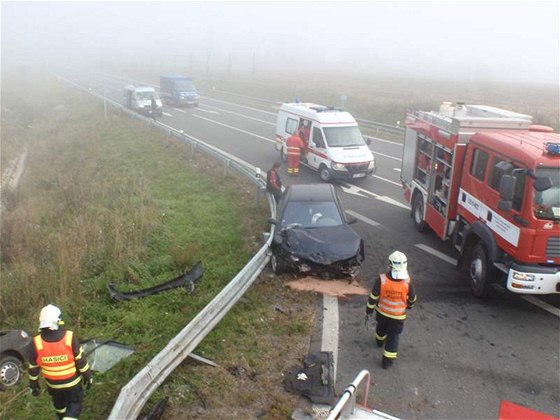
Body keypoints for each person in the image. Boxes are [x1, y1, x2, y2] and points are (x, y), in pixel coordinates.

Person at [28, 304, 92, 420]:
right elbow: (80, 361)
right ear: (57, 320)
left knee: (60, 407)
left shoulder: (36, 342)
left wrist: (34, 386)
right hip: (72, 384)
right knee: (74, 405)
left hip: (53, 386)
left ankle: (62, 416)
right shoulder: (69, 337)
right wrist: (88, 376)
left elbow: (33, 368)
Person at [365, 251, 417, 369]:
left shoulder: (382, 279)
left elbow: (373, 296)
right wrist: (408, 305)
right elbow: (413, 299)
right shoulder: (407, 281)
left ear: (390, 265)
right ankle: (387, 362)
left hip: (382, 313)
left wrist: (369, 310)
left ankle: (379, 341)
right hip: (398, 317)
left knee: (381, 329)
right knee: (393, 338)